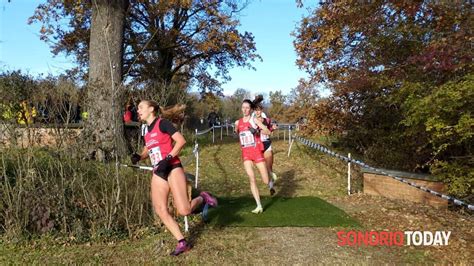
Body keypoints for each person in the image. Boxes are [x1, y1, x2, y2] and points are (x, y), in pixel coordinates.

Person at [131, 100, 218, 256]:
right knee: (160, 209)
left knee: (184, 210)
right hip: (158, 171)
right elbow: (148, 149)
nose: (138, 110)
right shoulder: (146, 130)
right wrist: (139, 156)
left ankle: (203, 197)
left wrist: (168, 158)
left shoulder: (162, 123)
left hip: (172, 167)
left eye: (140, 108)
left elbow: (181, 141)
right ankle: (182, 242)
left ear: (151, 109)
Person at [234, 97, 275, 214]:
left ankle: (270, 179)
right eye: (243, 108)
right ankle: (259, 205)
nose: (245, 110)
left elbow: (268, 131)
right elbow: (236, 131)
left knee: (265, 180)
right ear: (241, 109)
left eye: (247, 108)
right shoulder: (238, 122)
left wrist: (256, 131)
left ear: (250, 109)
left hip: (257, 152)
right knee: (251, 178)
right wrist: (235, 131)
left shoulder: (255, 121)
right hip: (246, 154)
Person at [253, 101, 278, 183]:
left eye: (259, 110)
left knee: (269, 166)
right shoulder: (252, 122)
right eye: (255, 110)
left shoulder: (267, 120)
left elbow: (270, 129)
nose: (257, 112)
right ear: (254, 111)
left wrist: (273, 128)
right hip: (257, 146)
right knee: (262, 167)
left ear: (261, 111)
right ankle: (268, 178)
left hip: (267, 144)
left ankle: (271, 185)